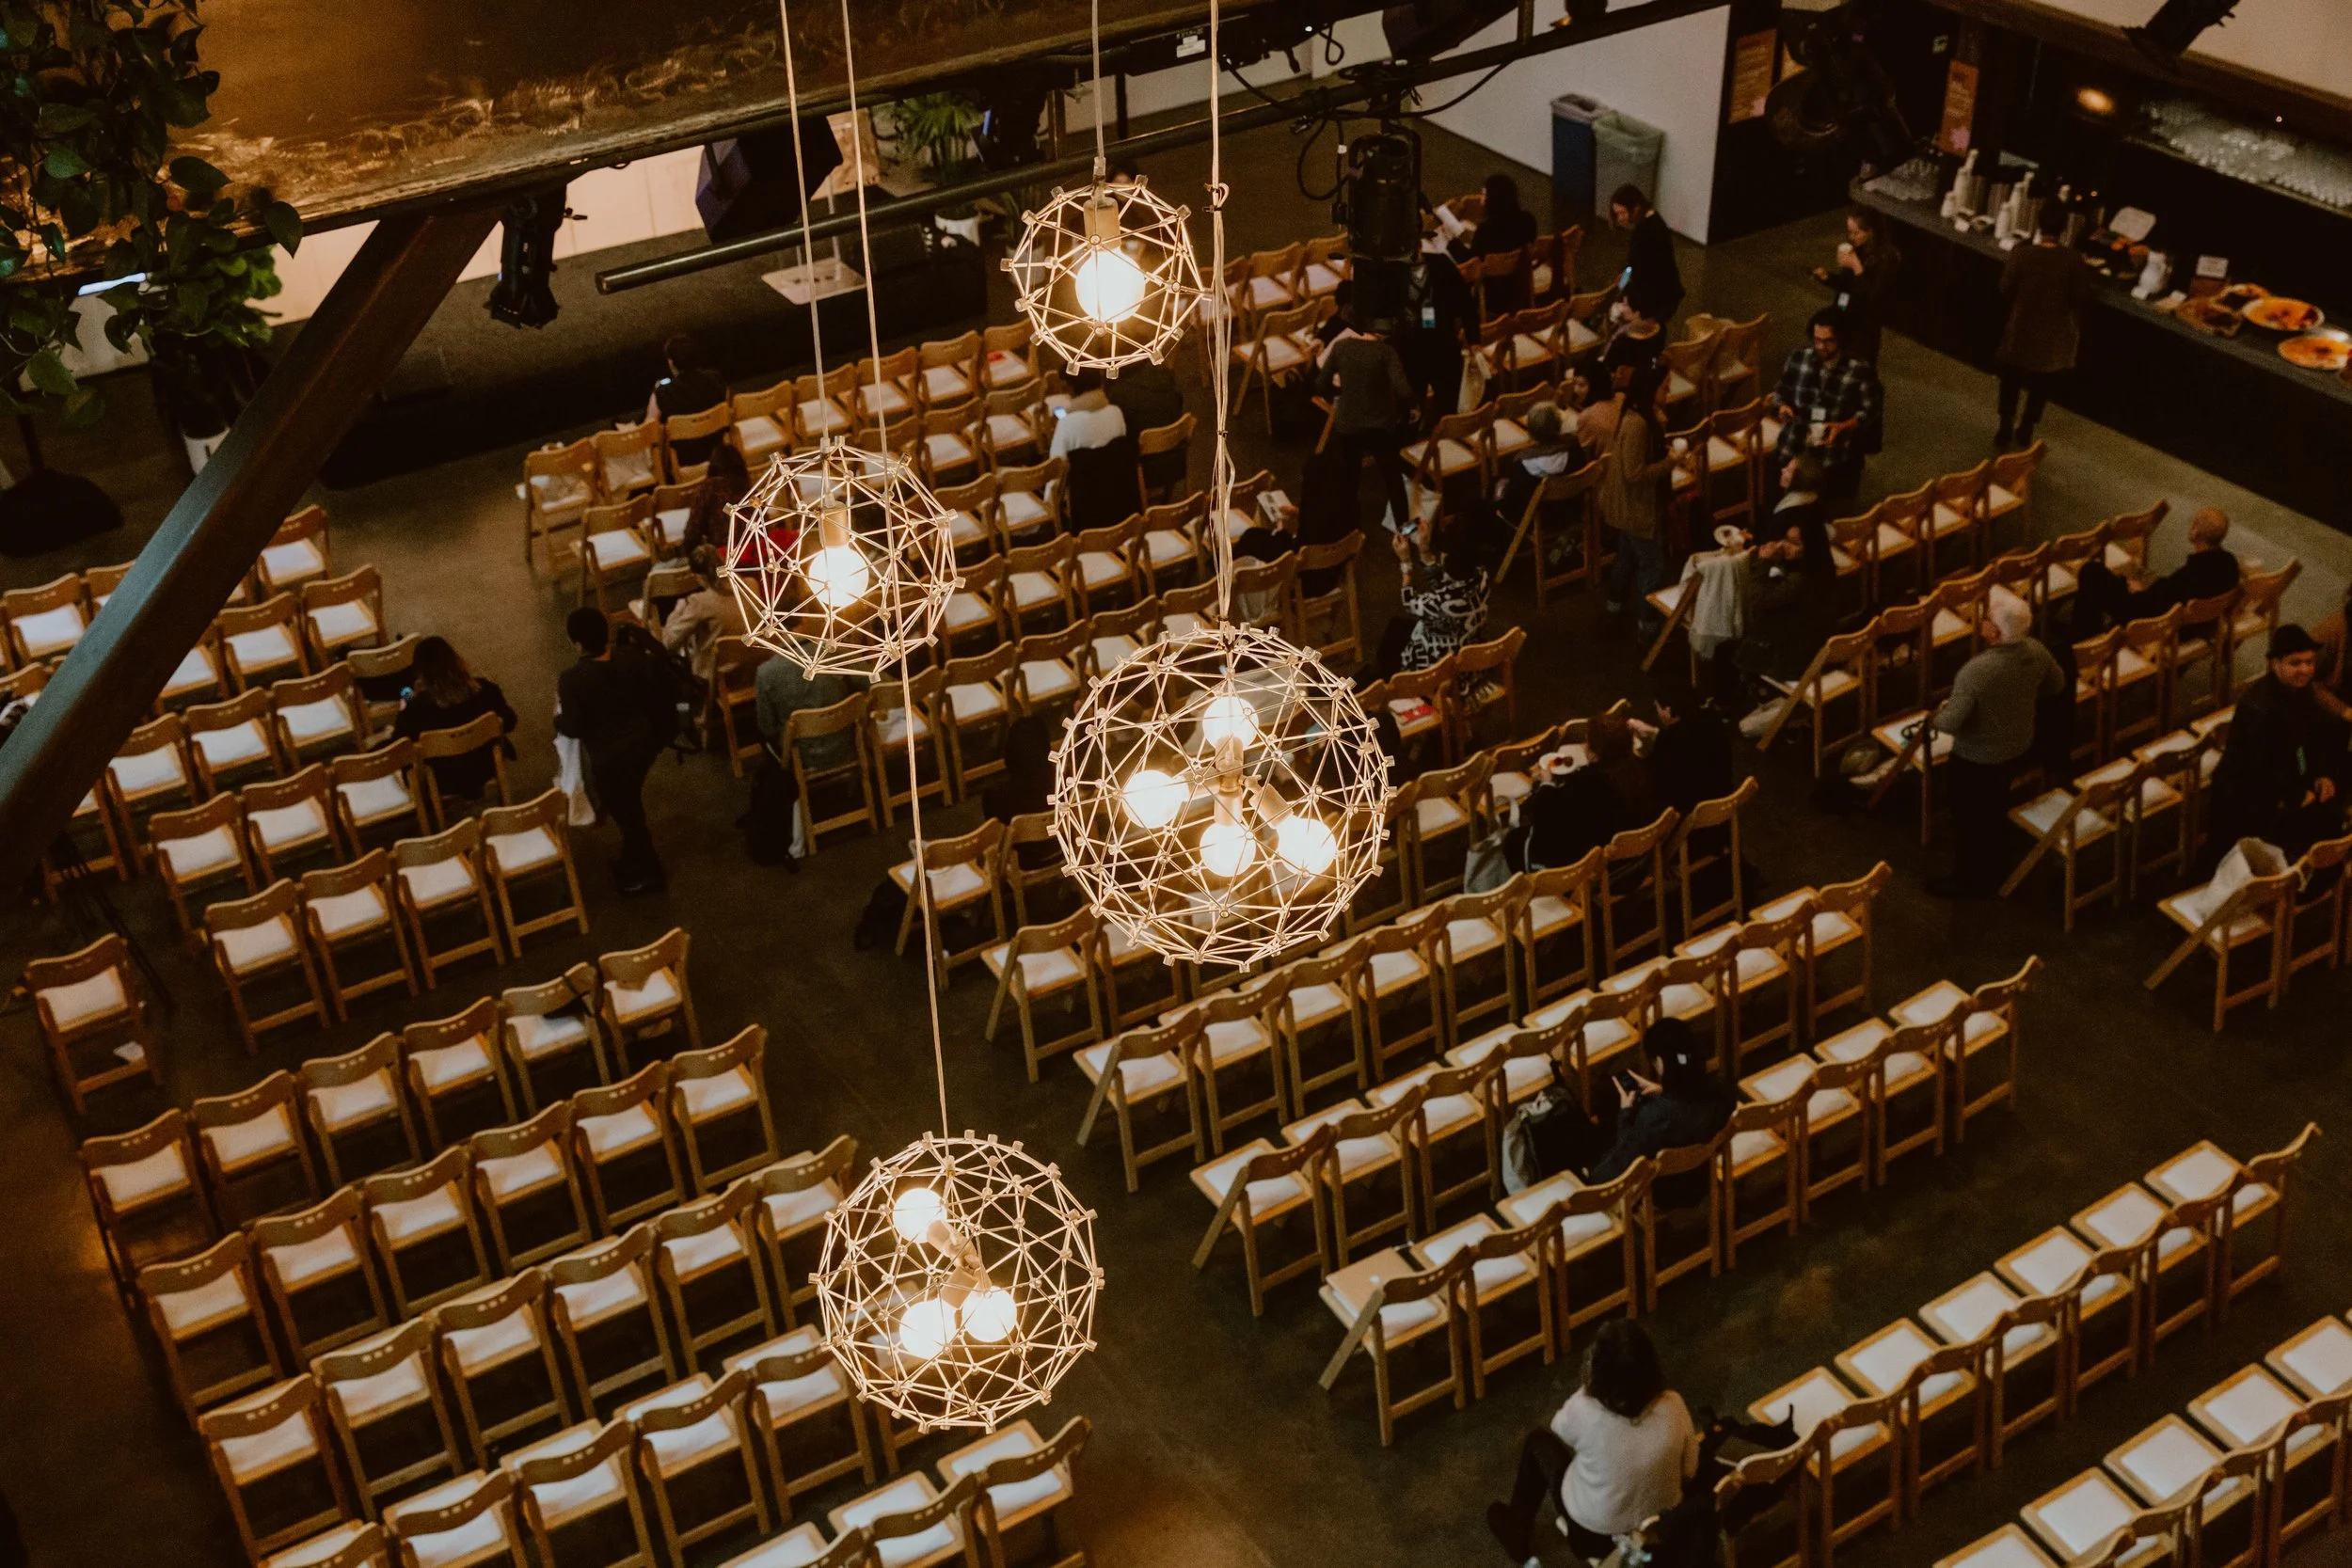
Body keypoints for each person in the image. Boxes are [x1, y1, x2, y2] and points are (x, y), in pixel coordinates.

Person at [1487, 1297, 1698, 1565]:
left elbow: (1558, 1428)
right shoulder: (1673, 1405)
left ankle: (1517, 1528)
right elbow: (1689, 1470)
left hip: (1594, 1536)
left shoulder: (1584, 1410)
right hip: (1661, 1526)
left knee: (1538, 1444)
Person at [1927, 594, 2066, 897]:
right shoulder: (2036, 652)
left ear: (1996, 633)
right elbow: (2057, 685)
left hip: (1977, 756)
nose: (1983, 622)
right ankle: (1994, 862)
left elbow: (1950, 723)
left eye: (1987, 619)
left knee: (1968, 816)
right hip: (2017, 745)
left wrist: (1936, 715)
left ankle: (1968, 878)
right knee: (1993, 806)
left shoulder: (1978, 671)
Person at [556, 608, 677, 895]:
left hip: (609, 759)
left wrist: (557, 718)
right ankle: (632, 860)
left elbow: (573, 727)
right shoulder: (632, 657)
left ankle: (647, 873)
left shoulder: (572, 680)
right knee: (630, 806)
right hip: (644, 745)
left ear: (577, 644)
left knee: (629, 814)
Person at [2205, 625, 2349, 862]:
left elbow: (2309, 739)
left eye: (2310, 662)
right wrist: (2296, 794)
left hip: (2285, 778)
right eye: (2296, 663)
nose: (2305, 670)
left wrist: (2321, 774)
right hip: (2249, 797)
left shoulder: (2299, 690)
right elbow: (2260, 767)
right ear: (2275, 664)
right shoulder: (2260, 709)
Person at [1994, 205, 2096, 450]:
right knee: (2041, 385)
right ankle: (2027, 427)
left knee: (2011, 380)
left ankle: (2005, 425)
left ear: (2039, 225)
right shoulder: (2073, 260)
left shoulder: (2022, 254)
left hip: (2021, 329)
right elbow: (2081, 296)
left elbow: (2005, 288)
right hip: (2052, 337)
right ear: (2063, 229)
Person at [1314, 317, 1419, 534]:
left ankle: (1352, 528)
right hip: (1380, 425)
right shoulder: (1386, 353)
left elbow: (1321, 383)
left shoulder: (1342, 347)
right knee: (1392, 478)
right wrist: (1413, 408)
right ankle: (1404, 528)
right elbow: (1403, 389)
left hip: (1348, 424)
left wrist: (1338, 398)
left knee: (1350, 477)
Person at [1771, 308, 1882, 506]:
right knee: (1782, 504)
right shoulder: (1798, 358)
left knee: (1819, 507)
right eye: (1817, 339)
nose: (1821, 346)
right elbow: (1780, 392)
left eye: (1828, 341)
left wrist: (1842, 427)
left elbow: (1870, 410)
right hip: (1794, 444)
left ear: (1842, 339)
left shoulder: (1859, 370)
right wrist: (1782, 407)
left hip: (1830, 455)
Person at [2074, 507, 2239, 634]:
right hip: (2194, 624)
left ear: (2196, 532)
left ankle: (2085, 635)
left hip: (2150, 621)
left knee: (2090, 572)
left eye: (2193, 524)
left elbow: (2156, 604)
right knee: (2131, 575)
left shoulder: (2194, 572)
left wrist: (2136, 591)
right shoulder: (2230, 564)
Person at [392, 636, 518, 802]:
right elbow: (510, 722)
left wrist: (407, 702)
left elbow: (400, 747)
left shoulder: (416, 711)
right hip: (484, 766)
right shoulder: (485, 691)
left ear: (421, 674)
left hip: (442, 779)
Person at [1601, 363, 1677, 637]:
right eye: (1664, 384)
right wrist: (1670, 462)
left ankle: (1614, 607)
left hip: (1630, 505)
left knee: (1626, 555)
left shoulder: (1643, 416)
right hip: (1635, 506)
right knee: (1652, 565)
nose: (1669, 388)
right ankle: (1647, 627)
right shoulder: (1637, 424)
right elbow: (1635, 474)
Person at [1392, 511, 1490, 670]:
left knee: (1392, 641)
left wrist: (1406, 564)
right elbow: (1448, 585)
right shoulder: (1482, 577)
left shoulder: (1438, 603)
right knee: (1398, 627)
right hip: (1472, 658)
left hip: (1445, 670)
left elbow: (1409, 603)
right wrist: (1424, 551)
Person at [1397, 240, 1476, 422]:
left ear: (1418, 246)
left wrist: (1474, 340)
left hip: (1443, 346)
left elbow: (1466, 304)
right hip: (1410, 352)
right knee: (1411, 410)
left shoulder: (1442, 265)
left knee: (1449, 407)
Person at [1811, 208, 1900, 367]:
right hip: (1844, 314)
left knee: (1860, 364)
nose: (1851, 237)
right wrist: (1828, 278)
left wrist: (1856, 267)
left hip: (1864, 323)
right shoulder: (1857, 250)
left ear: (1870, 232)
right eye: (1849, 232)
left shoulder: (1887, 258)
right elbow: (1847, 285)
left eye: (1856, 232)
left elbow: (1873, 297)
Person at [1647, 664, 1734, 818]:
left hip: (1688, 811)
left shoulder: (1670, 741)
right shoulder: (1714, 722)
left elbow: (1660, 782)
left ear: (1667, 710)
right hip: (1719, 802)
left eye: (1657, 707)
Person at [660, 546, 749, 684]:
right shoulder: (751, 585)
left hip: (721, 680)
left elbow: (668, 643)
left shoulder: (699, 602)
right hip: (755, 668)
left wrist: (678, 610)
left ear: (699, 577)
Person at [1460, 172, 1539, 314]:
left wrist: (1453, 244)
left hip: (1489, 293)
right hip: (1515, 287)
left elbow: (1471, 263)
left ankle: (1429, 322)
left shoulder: (1486, 231)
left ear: (1493, 200)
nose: (1481, 199)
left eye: (1484, 195)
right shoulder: (1527, 221)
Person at [645, 335, 729, 467]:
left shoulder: (663, 393)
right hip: (717, 451)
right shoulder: (715, 378)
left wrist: (655, 395)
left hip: (683, 460)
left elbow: (649, 432)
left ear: (671, 362)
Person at [1105, 358, 1187, 494]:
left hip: (1145, 471)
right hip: (1177, 460)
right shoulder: (1165, 373)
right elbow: (1179, 403)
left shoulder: (1120, 393)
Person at [1492, 402, 1579, 528]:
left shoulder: (1523, 465)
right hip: (1572, 510)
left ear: (1530, 433)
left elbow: (1513, 500)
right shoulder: (1575, 452)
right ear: (1558, 427)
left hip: (1538, 520)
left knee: (1497, 485)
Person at [1610, 183, 1685, 325]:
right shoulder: (1654, 220)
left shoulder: (1643, 234)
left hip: (1657, 297)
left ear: (1636, 208)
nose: (1619, 219)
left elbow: (1637, 269)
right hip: (1667, 292)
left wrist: (1622, 285)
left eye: (1622, 213)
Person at [678, 443, 751, 559]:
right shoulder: (750, 489)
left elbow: (692, 535)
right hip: (757, 555)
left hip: (726, 558)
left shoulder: (709, 489)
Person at [1049, 366, 1127, 460]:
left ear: (1071, 387)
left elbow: (1056, 465)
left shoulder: (1066, 424)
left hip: (1081, 474)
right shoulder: (1116, 413)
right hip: (1116, 474)